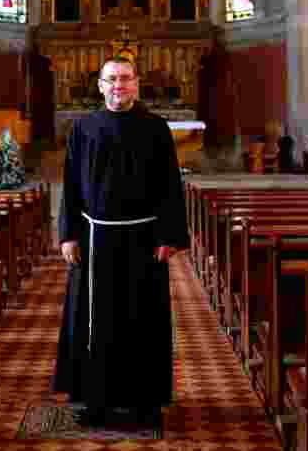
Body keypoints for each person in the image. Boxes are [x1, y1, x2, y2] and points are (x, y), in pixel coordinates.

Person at [53, 55, 189, 428]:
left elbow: (169, 187)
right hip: (94, 239)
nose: (119, 86)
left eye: (125, 79)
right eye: (112, 79)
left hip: (144, 240)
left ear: (136, 84)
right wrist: (67, 233)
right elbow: (70, 184)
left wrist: (169, 235)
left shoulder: (156, 128)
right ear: (100, 85)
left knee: (142, 319)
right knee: (93, 321)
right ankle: (92, 399)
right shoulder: (83, 128)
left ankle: (145, 402)